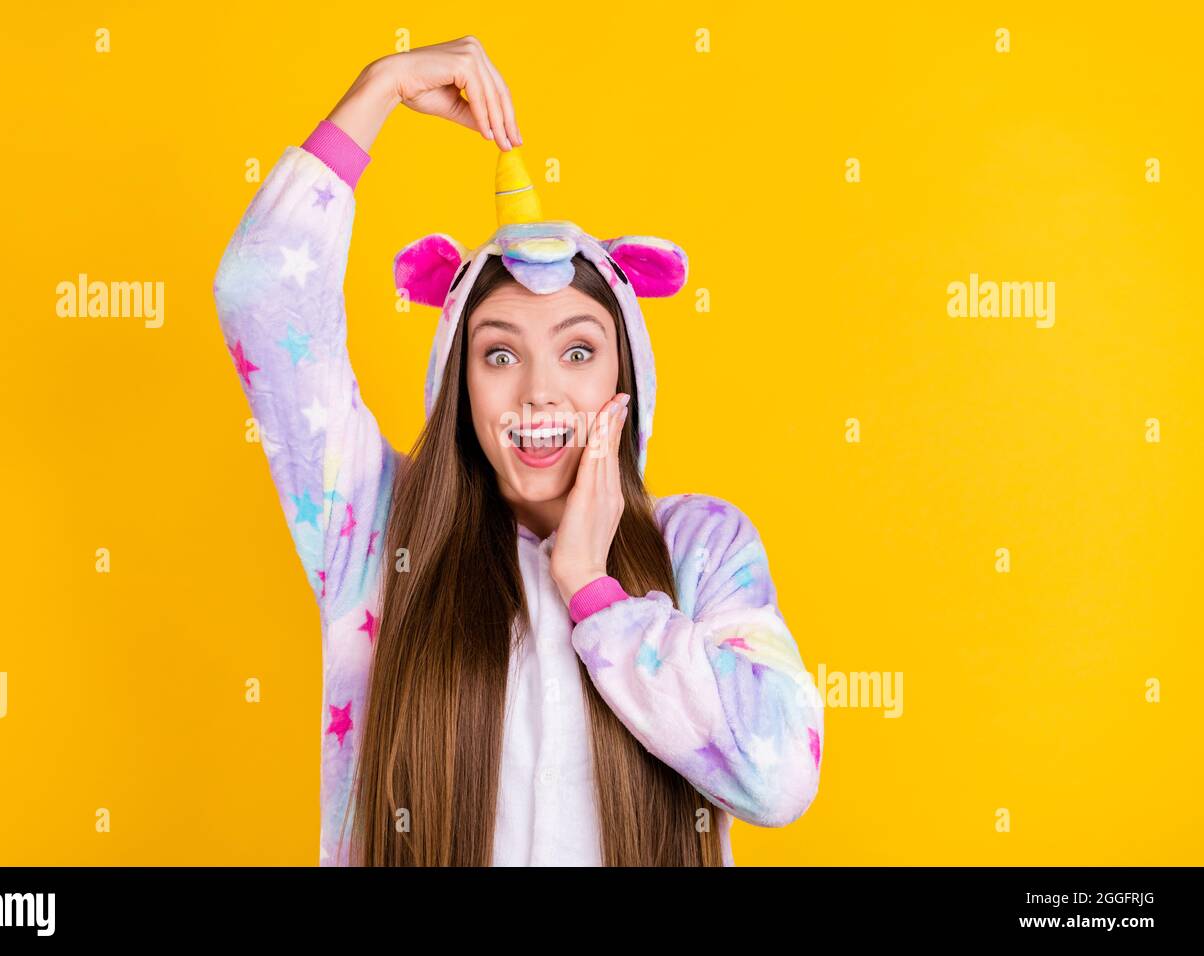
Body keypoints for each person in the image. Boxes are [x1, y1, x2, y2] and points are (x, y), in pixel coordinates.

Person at [212, 35, 824, 866]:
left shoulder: (703, 548)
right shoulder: (377, 537)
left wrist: (594, 590)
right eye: (499, 354)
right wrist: (380, 87)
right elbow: (260, 293)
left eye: (578, 352)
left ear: (626, 378)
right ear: (458, 382)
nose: (539, 391)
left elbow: (780, 774)